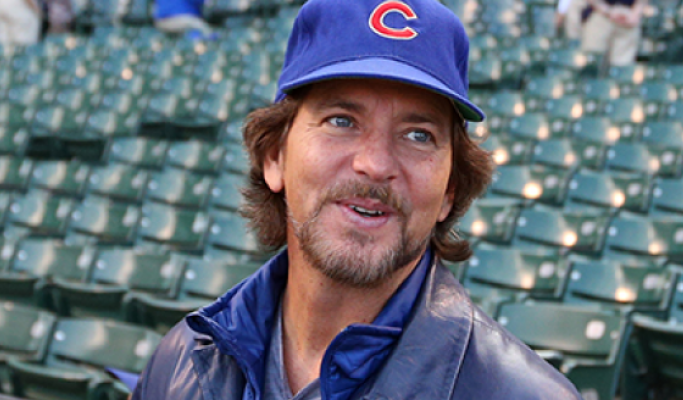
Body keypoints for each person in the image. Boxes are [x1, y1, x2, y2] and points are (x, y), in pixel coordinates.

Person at [131, 0, 583, 399]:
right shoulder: (181, 361)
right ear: (274, 157)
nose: (375, 162)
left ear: (449, 191)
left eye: (418, 134)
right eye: (341, 121)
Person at [581, 0, 646, 66]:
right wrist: (608, 11)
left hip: (628, 17)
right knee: (592, 59)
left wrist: (635, 13)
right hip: (601, 14)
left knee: (622, 66)